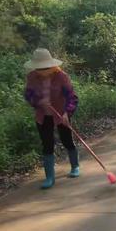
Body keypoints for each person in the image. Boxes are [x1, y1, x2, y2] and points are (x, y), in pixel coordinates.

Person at [24, 49, 79, 189]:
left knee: (67, 139)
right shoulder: (31, 77)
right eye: (40, 67)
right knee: (47, 144)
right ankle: (49, 177)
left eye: (45, 67)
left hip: (61, 114)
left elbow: (71, 97)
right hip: (43, 115)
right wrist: (37, 102)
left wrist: (67, 113)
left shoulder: (61, 76)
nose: (43, 70)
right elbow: (28, 95)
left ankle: (75, 166)